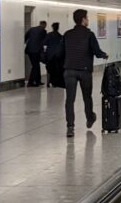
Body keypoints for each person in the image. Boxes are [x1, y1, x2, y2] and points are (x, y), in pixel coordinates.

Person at [63, 9, 108, 137]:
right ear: (83, 19)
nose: (88, 20)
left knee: (69, 100)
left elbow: (61, 52)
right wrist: (104, 55)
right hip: (84, 71)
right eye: (87, 18)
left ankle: (70, 127)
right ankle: (90, 118)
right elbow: (96, 51)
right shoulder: (89, 34)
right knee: (87, 97)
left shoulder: (67, 34)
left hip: (69, 70)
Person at [24, 20, 47, 87]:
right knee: (35, 66)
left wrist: (27, 43)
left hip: (29, 50)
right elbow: (44, 41)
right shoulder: (43, 31)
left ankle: (38, 81)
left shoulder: (31, 29)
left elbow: (25, 36)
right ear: (44, 25)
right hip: (36, 51)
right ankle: (30, 82)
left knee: (36, 65)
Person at [44, 22, 65, 88]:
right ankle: (54, 83)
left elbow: (44, 44)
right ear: (58, 28)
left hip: (50, 55)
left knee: (49, 69)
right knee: (56, 69)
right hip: (58, 56)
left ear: (52, 27)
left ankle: (48, 82)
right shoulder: (60, 36)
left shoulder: (48, 35)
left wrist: (45, 53)